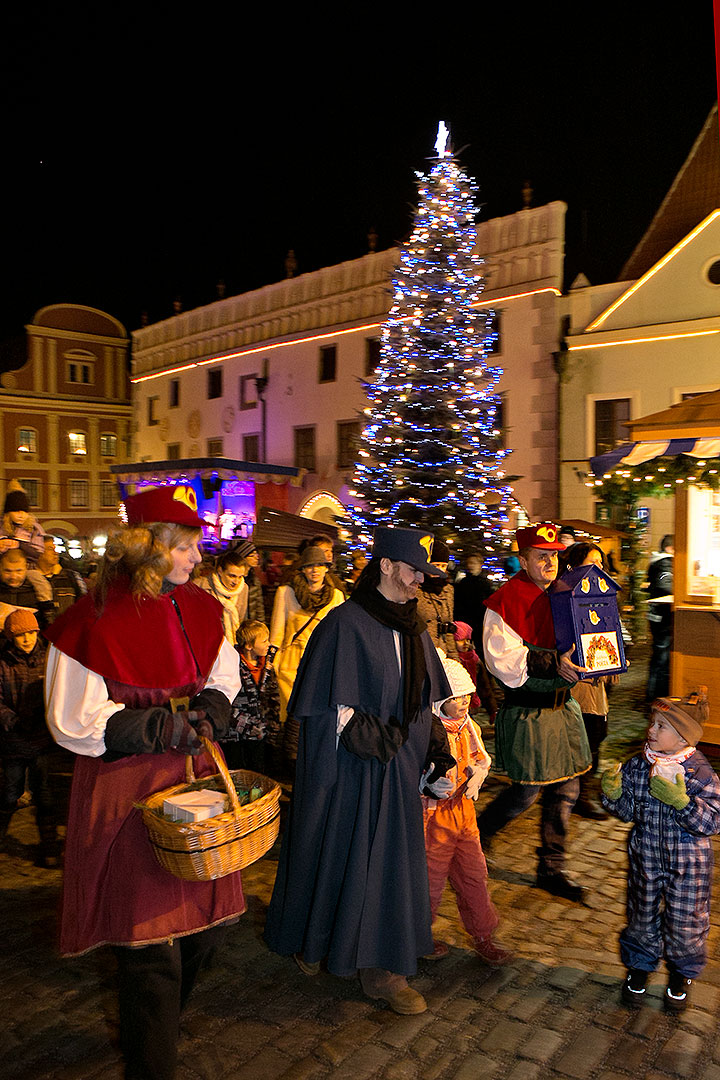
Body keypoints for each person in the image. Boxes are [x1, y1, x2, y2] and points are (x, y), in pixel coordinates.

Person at [44, 484, 244, 1080]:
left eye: (195, 546)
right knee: (150, 949)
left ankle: (151, 1029)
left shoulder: (204, 608)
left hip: (194, 778)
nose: (194, 559)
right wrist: (152, 725)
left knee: (201, 938)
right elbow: (71, 719)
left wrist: (214, 706)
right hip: (127, 790)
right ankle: (150, 1063)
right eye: (183, 547)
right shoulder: (91, 620)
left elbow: (223, 673)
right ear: (146, 546)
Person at [265, 527, 453, 1015]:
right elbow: (323, 702)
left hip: (400, 766)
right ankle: (322, 941)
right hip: (353, 770)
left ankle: (381, 967)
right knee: (342, 856)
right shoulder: (344, 623)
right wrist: (365, 734)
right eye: (414, 571)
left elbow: (426, 699)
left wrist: (435, 751)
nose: (420, 582)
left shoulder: (415, 627)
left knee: (389, 864)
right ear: (387, 566)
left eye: (424, 574)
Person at [478, 522, 592, 902]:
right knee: (525, 793)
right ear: (523, 558)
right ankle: (478, 836)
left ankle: (551, 867)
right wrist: (550, 663)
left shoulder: (567, 595)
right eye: (541, 556)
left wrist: (596, 663)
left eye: (555, 555)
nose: (550, 562)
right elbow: (502, 660)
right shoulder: (504, 602)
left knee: (567, 790)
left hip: (564, 711)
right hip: (529, 713)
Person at [601, 691, 720, 1012]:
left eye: (661, 726)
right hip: (647, 857)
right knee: (642, 915)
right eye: (653, 723)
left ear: (683, 737)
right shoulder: (639, 765)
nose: (651, 730)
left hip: (688, 864)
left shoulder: (700, 773)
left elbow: (713, 820)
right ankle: (640, 965)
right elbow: (628, 810)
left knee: (686, 921)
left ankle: (681, 973)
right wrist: (614, 795)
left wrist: (683, 803)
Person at [422, 657, 512, 966]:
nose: (463, 703)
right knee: (429, 879)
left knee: (474, 874)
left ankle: (483, 934)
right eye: (455, 697)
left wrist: (477, 775)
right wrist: (428, 783)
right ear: (439, 699)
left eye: (465, 696)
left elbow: (481, 758)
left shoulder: (467, 727)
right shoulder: (429, 730)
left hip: (463, 813)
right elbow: (419, 770)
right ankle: (418, 934)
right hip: (434, 817)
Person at [270, 545, 345, 758]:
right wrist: (272, 662)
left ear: (327, 569)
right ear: (302, 569)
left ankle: (310, 759)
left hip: (322, 664)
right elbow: (277, 631)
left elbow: (339, 635)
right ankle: (291, 761)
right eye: (310, 566)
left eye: (320, 565)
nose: (315, 570)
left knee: (316, 717)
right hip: (290, 665)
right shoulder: (286, 592)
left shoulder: (336, 596)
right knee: (292, 717)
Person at [0, 610, 59, 867]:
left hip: (40, 741)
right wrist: (12, 720)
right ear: (11, 637)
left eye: (32, 633)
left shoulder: (47, 658)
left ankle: (49, 846)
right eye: (21, 634)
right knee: (9, 793)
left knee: (44, 793)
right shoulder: (3, 663)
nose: (27, 639)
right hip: (13, 741)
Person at [563, 541, 617, 820]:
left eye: (600, 564)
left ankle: (580, 793)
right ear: (574, 566)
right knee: (581, 738)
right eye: (590, 564)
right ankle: (573, 795)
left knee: (597, 735)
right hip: (576, 682)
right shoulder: (563, 594)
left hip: (598, 683)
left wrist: (615, 659)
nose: (596, 570)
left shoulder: (603, 594)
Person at [223, 619, 281, 776]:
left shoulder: (267, 666)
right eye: (264, 641)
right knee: (238, 773)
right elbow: (227, 704)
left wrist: (273, 727)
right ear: (249, 646)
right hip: (235, 737)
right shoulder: (232, 666)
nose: (268, 644)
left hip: (260, 734)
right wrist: (247, 726)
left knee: (258, 774)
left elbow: (273, 698)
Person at [416, 538, 459, 659]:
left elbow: (449, 627)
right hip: (421, 653)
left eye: (443, 566)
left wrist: (454, 658)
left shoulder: (448, 590)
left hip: (442, 653)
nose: (439, 570)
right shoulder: (415, 589)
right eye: (435, 565)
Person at [196, 547, 248, 644]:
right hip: (206, 643)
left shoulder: (243, 589)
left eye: (240, 576)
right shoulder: (201, 586)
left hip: (232, 645)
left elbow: (242, 619)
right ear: (220, 571)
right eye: (232, 576)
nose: (236, 581)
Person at [645, 534, 674, 701]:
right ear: (670, 548)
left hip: (658, 616)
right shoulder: (665, 563)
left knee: (659, 657)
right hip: (662, 618)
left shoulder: (659, 562)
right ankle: (656, 696)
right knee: (661, 659)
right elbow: (665, 585)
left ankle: (653, 695)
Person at [454, 620, 497, 723]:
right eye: (460, 640)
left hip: (471, 707)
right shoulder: (451, 662)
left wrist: (492, 710)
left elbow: (484, 687)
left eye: (468, 640)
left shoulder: (474, 660)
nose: (465, 643)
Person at [0, 548, 55, 627]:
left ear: (26, 567)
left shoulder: (39, 589)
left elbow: (47, 623)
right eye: (8, 571)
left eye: (19, 571)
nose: (13, 576)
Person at [37, 535, 87, 616]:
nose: (55, 552)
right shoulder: (31, 579)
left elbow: (84, 603)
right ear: (39, 552)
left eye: (55, 548)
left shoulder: (71, 577)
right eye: (50, 549)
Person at [0, 480, 46, 565]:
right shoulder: (1, 526)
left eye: (24, 511)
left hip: (27, 568)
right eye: (16, 511)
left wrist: (19, 545)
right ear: (8, 512)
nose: (21, 515)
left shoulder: (34, 528)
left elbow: (38, 553)